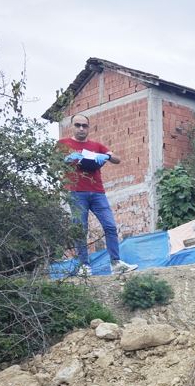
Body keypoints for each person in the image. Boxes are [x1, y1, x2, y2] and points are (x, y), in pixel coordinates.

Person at [59, 115, 137, 276]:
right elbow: (54, 161)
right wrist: (67, 159)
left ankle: (116, 263)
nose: (81, 128)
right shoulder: (63, 144)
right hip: (76, 192)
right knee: (80, 229)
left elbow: (117, 159)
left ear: (89, 128)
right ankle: (84, 266)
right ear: (72, 127)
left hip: (97, 192)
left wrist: (106, 156)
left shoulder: (95, 145)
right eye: (78, 125)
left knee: (110, 226)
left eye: (85, 126)